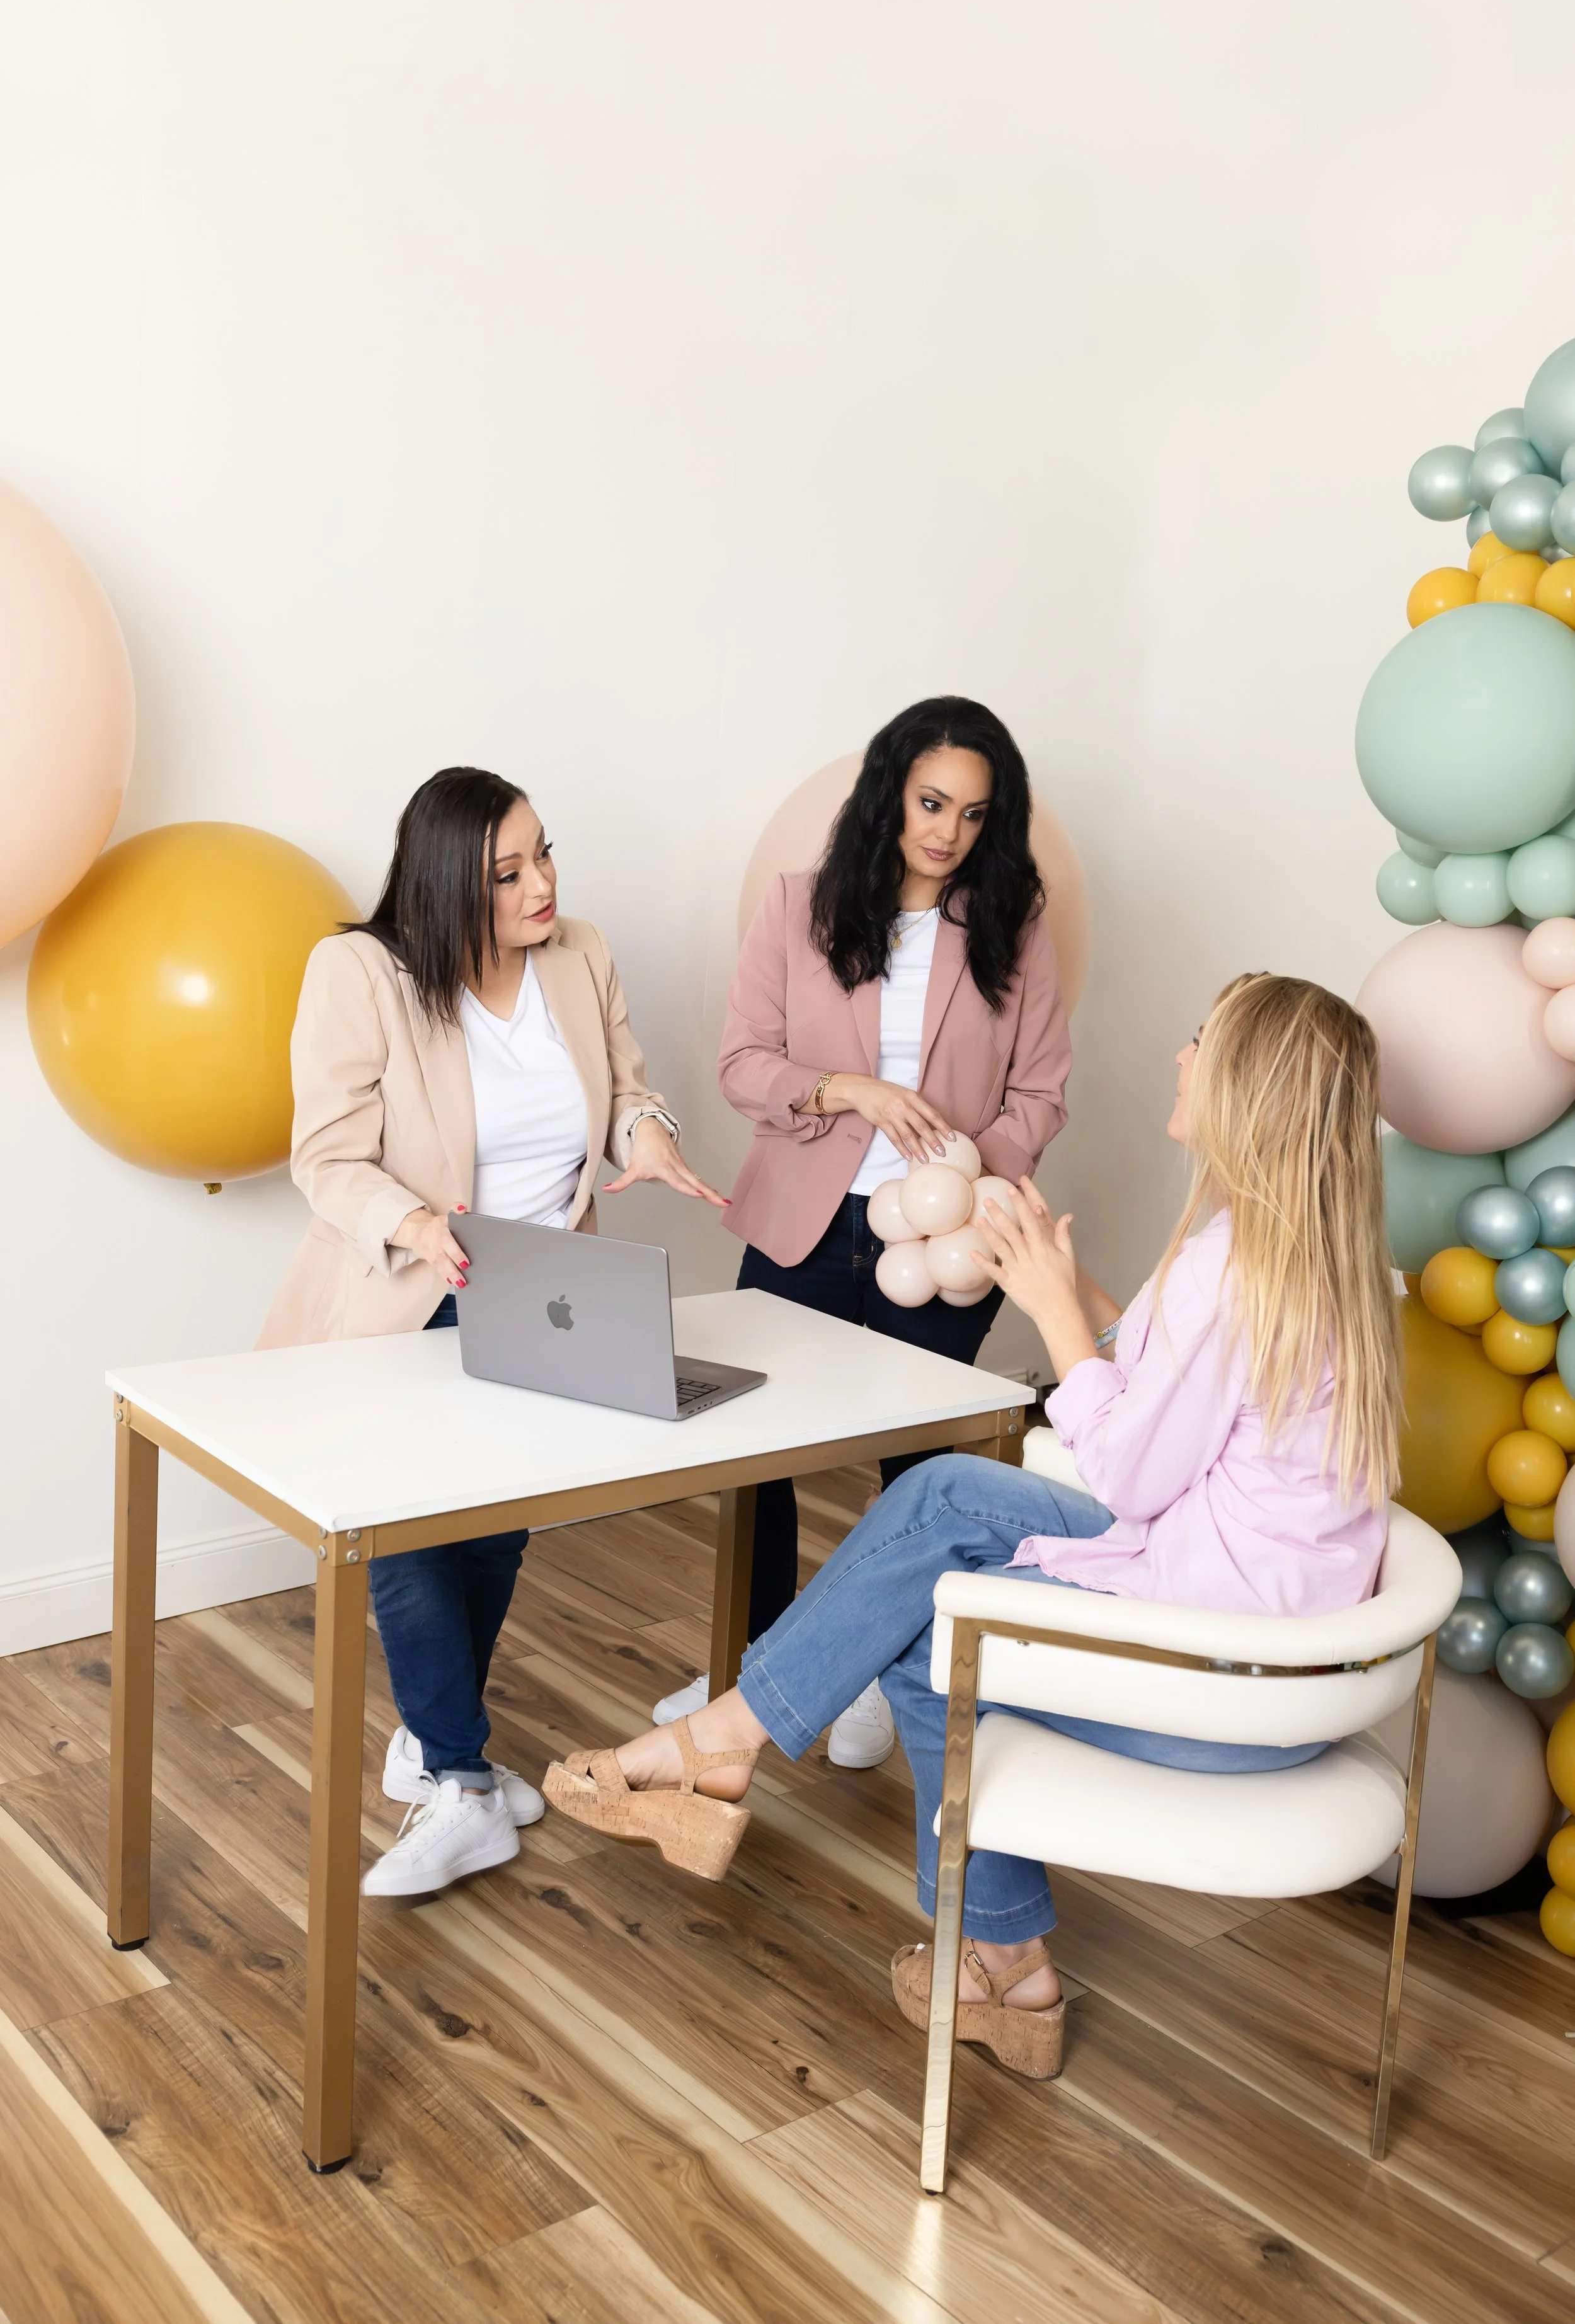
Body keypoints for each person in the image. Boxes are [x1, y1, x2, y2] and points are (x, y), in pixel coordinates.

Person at [546, 973, 1400, 2081]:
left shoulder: (1236, 1271)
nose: (1181, 1058)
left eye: (1201, 1042)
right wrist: (1054, 1269)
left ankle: (980, 1946)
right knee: (945, 1495)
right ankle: (754, 1773)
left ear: (1249, 1086)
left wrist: (1047, 1311)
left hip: (1222, 1679)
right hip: (1255, 1635)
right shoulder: (1288, 1250)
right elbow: (1159, 1387)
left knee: (925, 1633)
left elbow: (1133, 1472)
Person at [259, 766, 726, 1898]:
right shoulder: (361, 972)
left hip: (545, 1286)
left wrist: (647, 1138)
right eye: (506, 872)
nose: (541, 886)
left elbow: (627, 1090)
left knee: (498, 1525)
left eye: (544, 855)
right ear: (442, 886)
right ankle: (464, 1781)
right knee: (412, 1528)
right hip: (415, 1287)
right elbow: (325, 1156)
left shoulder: (580, 954)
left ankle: (435, 1745)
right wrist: (416, 1221)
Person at [650, 697, 1072, 1764]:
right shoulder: (798, 907)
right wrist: (852, 1091)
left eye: (976, 816)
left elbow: (1041, 1094)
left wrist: (970, 1181)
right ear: (890, 791)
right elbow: (743, 1064)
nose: (948, 832)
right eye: (933, 803)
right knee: (761, 1453)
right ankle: (758, 1660)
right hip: (802, 1223)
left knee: (919, 1474)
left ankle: (885, 1669)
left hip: (941, 1248)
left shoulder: (1018, 927)